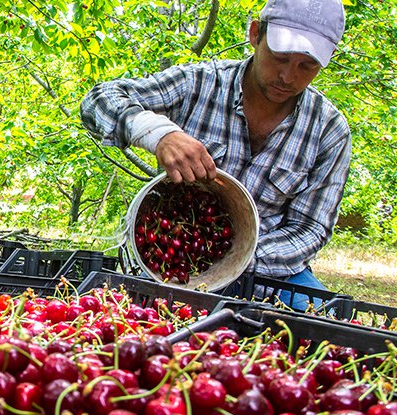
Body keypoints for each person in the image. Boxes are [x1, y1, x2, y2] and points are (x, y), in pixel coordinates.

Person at [80, 0, 350, 310]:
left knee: (328, 329)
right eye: (280, 57)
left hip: (273, 271)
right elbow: (98, 100)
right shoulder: (199, 84)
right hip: (172, 265)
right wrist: (157, 132)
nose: (288, 77)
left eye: (307, 65)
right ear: (255, 34)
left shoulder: (329, 129)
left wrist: (238, 256)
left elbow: (310, 228)